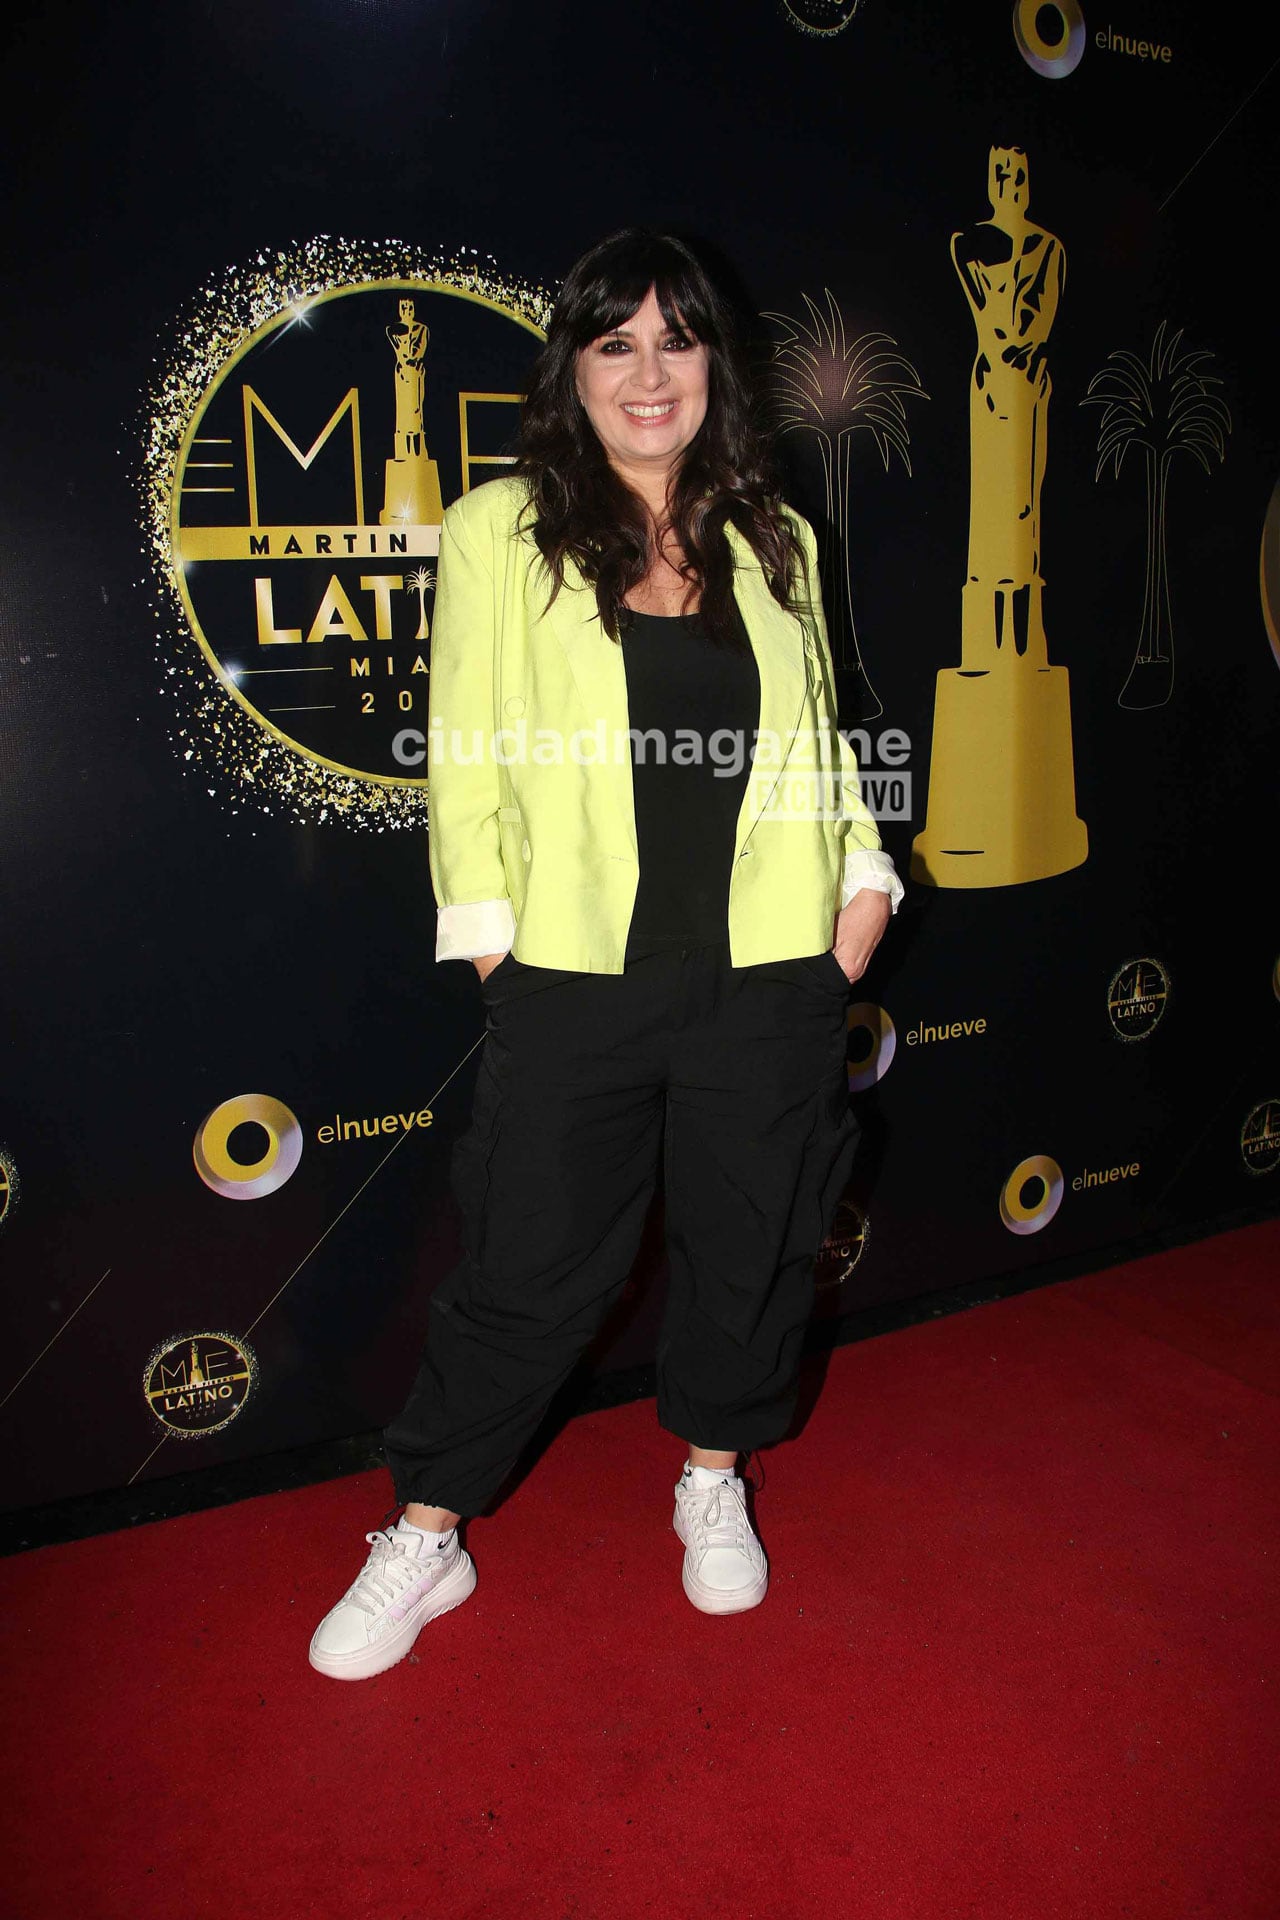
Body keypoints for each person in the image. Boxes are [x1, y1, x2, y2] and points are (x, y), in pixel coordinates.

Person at [309, 229, 903, 1682]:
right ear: (574, 368)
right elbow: (466, 760)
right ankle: (428, 1532)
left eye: (678, 341)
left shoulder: (780, 537)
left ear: (718, 365)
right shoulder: (500, 528)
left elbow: (822, 739)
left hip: (771, 971)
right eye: (616, 343)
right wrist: (499, 956)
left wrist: (862, 895)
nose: (650, 374)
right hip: (578, 973)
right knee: (530, 1267)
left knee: (752, 1249)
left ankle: (712, 1478)